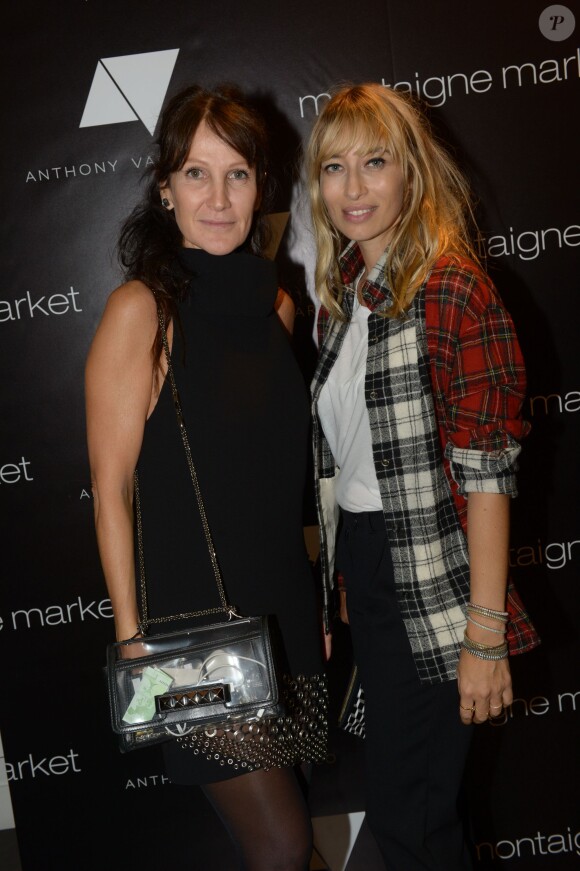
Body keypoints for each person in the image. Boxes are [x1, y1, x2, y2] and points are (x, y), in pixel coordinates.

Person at [85, 83, 328, 871]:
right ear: (165, 189)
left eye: (237, 174)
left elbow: (279, 476)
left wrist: (320, 598)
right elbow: (112, 485)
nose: (218, 198)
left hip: (286, 613)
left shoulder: (280, 310)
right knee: (282, 847)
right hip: (196, 637)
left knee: (287, 839)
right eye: (196, 173)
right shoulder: (140, 310)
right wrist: (131, 638)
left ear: (263, 185)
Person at [305, 82, 540, 870]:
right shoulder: (341, 297)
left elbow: (488, 479)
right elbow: (353, 467)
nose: (355, 187)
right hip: (370, 577)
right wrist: (344, 580)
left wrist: (484, 634)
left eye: (375, 162)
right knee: (408, 811)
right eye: (335, 167)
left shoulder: (452, 288)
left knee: (419, 822)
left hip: (438, 590)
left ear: (411, 170)